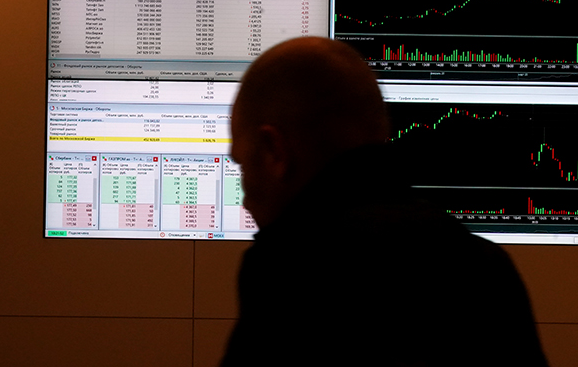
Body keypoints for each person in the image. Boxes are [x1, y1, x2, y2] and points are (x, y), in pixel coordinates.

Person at [220, 37, 549, 366]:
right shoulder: (487, 267)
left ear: (274, 150)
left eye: (243, 165)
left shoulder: (288, 272)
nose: (246, 202)